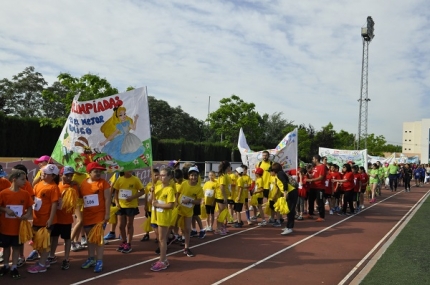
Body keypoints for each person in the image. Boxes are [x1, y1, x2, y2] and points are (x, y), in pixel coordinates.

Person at [0, 169, 33, 279]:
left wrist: (27, 215)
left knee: (16, 248)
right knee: (6, 248)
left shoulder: (25, 194)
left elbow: (29, 207)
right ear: (14, 179)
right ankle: (5, 265)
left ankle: (14, 266)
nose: (25, 181)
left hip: (18, 228)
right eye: (22, 179)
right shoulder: (4, 193)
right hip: (5, 227)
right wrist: (5, 210)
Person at [27, 164, 60, 274]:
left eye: (46, 173)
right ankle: (44, 260)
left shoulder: (53, 187)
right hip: (37, 218)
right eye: (43, 172)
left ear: (53, 176)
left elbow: (54, 204)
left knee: (44, 242)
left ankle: (41, 264)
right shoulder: (39, 184)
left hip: (46, 220)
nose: (43, 174)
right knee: (36, 241)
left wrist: (50, 219)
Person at [80, 162, 111, 273]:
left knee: (98, 239)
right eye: (96, 171)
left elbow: (108, 199)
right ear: (89, 173)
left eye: (100, 171)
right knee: (89, 239)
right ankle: (91, 258)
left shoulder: (104, 183)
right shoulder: (84, 184)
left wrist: (107, 214)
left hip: (99, 215)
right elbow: (80, 197)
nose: (98, 173)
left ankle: (99, 260)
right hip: (88, 215)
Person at [48, 166, 78, 270]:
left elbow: (80, 197)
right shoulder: (56, 186)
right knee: (54, 237)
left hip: (66, 219)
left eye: (71, 175)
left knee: (67, 238)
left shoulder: (73, 187)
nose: (69, 178)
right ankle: (51, 256)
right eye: (67, 175)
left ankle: (66, 258)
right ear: (61, 175)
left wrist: (76, 186)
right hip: (56, 218)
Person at [149, 168, 175, 271]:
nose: (161, 177)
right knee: (159, 239)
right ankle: (163, 259)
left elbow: (171, 205)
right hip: (155, 216)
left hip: (163, 217)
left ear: (169, 177)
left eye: (164, 175)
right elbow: (150, 200)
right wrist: (151, 192)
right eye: (160, 175)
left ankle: (163, 261)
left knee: (162, 239)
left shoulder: (170, 189)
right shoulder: (157, 187)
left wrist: (158, 204)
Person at [113, 170, 145, 253]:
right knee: (120, 225)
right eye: (128, 169)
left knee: (129, 225)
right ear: (124, 170)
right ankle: (123, 241)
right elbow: (116, 192)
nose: (130, 171)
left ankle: (128, 243)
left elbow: (142, 191)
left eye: (131, 169)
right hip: (120, 206)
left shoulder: (135, 179)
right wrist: (116, 202)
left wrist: (133, 197)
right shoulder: (119, 180)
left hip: (131, 206)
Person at [177, 166, 204, 257]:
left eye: (195, 175)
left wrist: (190, 201)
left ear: (198, 176)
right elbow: (178, 193)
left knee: (188, 229)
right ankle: (171, 239)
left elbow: (199, 201)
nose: (193, 177)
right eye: (192, 175)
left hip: (188, 212)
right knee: (173, 226)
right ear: (189, 176)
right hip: (179, 209)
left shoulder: (199, 188)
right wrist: (176, 202)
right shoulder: (184, 183)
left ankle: (186, 247)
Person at [11, 164, 34, 267]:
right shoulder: (10, 183)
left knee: (19, 237)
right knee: (8, 236)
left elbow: (30, 200)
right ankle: (5, 253)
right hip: (9, 217)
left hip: (20, 216)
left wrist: (27, 213)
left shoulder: (27, 185)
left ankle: (21, 256)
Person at [268, 163, 298, 235]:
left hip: (291, 193)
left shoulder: (279, 174)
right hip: (290, 192)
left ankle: (289, 228)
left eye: (270, 171)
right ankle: (288, 226)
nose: (269, 173)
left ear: (274, 170)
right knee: (288, 210)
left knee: (290, 211)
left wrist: (285, 192)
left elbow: (285, 182)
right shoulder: (278, 175)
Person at [141, 168, 161, 242]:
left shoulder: (160, 184)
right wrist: (145, 205)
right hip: (149, 207)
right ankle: (147, 234)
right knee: (148, 220)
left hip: (156, 207)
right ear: (150, 176)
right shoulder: (149, 185)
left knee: (156, 222)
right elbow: (146, 195)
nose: (157, 177)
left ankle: (158, 236)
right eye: (155, 175)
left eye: (158, 175)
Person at [306, 155, 327, 222]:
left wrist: (311, 180)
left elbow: (321, 177)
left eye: (313, 159)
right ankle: (310, 213)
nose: (312, 160)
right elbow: (313, 175)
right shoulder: (314, 167)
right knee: (310, 200)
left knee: (320, 201)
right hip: (313, 187)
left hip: (319, 187)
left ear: (316, 159)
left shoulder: (322, 166)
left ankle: (321, 216)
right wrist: (308, 174)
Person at [214, 161, 231, 235]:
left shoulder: (225, 175)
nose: (230, 168)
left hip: (224, 196)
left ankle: (221, 227)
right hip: (221, 196)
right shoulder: (223, 176)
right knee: (221, 213)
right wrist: (224, 197)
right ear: (227, 167)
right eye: (229, 166)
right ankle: (218, 228)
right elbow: (221, 187)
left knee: (223, 213)